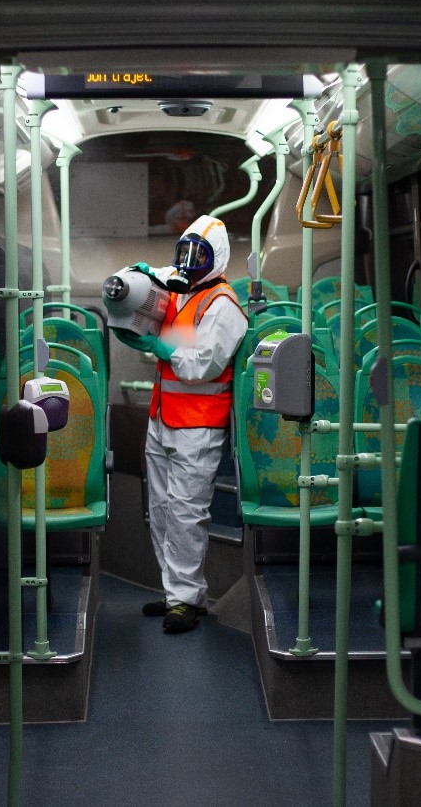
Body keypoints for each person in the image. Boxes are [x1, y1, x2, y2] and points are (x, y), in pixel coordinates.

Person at [112, 215, 248, 633]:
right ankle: (177, 593)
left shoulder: (222, 305)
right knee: (162, 511)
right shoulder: (185, 286)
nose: (188, 262)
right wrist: (140, 276)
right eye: (184, 252)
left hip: (198, 426)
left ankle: (187, 600)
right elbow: (156, 276)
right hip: (163, 417)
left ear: (217, 259)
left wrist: (158, 346)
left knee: (187, 514)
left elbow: (201, 365)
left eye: (197, 255)